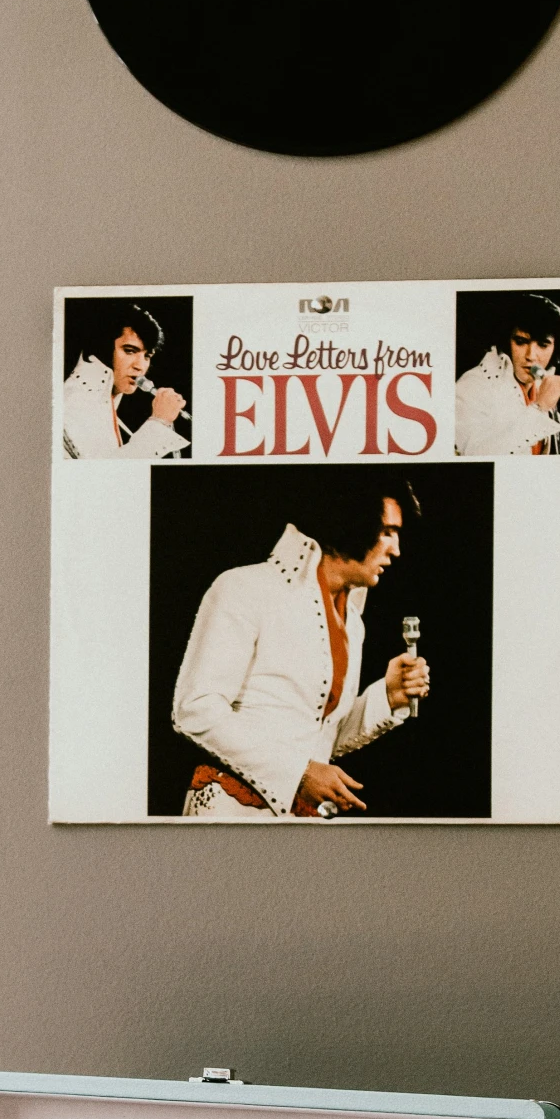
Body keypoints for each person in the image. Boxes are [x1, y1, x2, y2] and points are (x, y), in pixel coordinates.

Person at [171, 484, 431, 820]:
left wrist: (387, 696)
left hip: (299, 821)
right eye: (387, 532)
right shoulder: (245, 588)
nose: (396, 550)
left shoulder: (353, 622)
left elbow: (319, 737)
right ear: (354, 523)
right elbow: (195, 709)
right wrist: (298, 773)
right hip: (232, 812)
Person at [455, 295, 560, 457]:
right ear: (507, 342)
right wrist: (539, 408)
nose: (531, 356)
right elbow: (473, 455)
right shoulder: (473, 385)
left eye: (542, 345)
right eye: (521, 342)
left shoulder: (540, 387)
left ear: (555, 349)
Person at [62, 302, 189, 460]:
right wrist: (159, 421)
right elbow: (108, 476)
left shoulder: (99, 402)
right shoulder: (78, 399)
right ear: (103, 348)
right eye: (129, 351)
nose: (140, 366)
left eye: (147, 356)